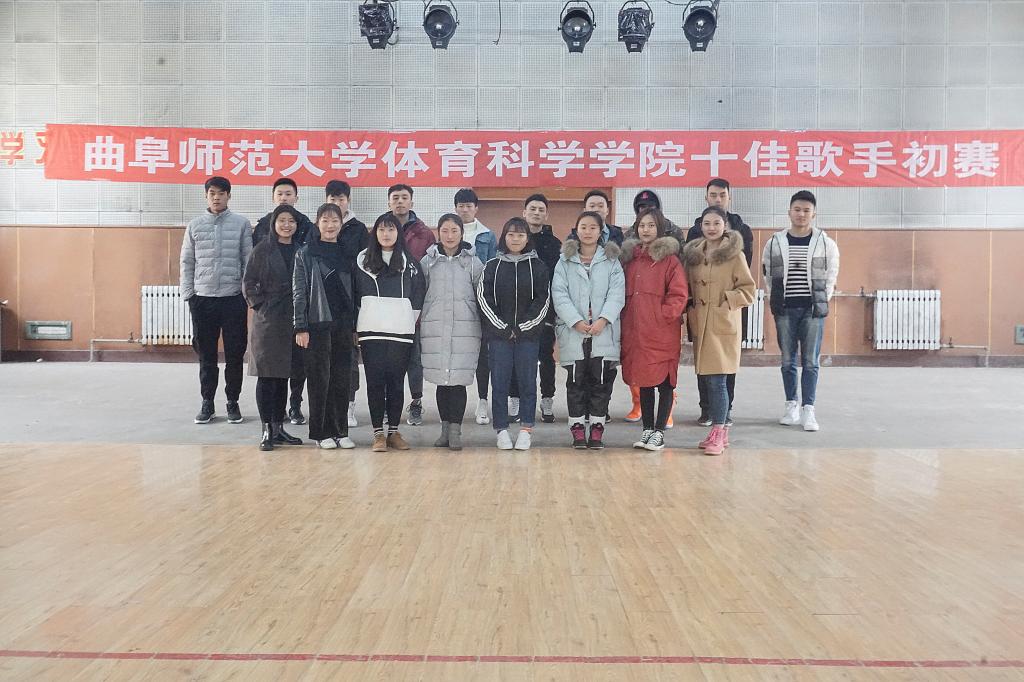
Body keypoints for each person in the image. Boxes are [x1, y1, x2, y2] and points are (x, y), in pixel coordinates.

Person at [762, 190, 840, 433]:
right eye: (797, 209)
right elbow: (768, 274)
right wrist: (777, 298)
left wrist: (821, 299)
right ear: (789, 212)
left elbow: (831, 275)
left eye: (807, 210)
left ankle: (808, 408)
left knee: (810, 361)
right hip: (785, 309)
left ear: (813, 214)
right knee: (787, 360)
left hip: (812, 310)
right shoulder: (775, 242)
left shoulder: (825, 243)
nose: (801, 214)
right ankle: (791, 405)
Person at [683, 207, 756, 455]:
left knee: (718, 381)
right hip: (701, 325)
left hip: (723, 324)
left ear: (725, 225)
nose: (711, 228)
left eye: (716, 223)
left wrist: (726, 301)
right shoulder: (694, 255)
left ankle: (718, 430)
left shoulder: (735, 256)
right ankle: (720, 434)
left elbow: (748, 290)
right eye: (707, 223)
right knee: (708, 380)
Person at [180, 176, 253, 425]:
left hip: (233, 299)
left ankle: (233, 402)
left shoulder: (241, 224)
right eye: (212, 193)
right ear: (206, 196)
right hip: (202, 299)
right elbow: (187, 261)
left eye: (221, 193)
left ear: (229, 196)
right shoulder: (195, 225)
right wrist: (189, 294)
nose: (216, 197)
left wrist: (245, 295)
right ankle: (207, 402)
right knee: (206, 356)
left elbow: (248, 260)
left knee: (235, 354)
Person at [552, 212, 625, 449]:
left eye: (593, 227)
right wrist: (575, 321)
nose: (588, 231)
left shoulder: (611, 261)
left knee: (601, 383)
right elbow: (559, 294)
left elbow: (617, 294)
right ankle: (577, 430)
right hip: (574, 332)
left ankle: (596, 429)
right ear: (576, 230)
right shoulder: (565, 261)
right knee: (576, 384)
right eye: (583, 227)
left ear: (600, 231)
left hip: (602, 332)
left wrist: (603, 320)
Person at [477, 218, 550, 451]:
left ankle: (526, 429)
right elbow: (484, 299)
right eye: (511, 234)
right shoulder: (492, 266)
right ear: (504, 237)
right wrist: (503, 328)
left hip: (528, 338)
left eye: (520, 235)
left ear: (527, 238)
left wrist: (523, 328)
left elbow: (543, 301)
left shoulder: (538, 267)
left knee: (528, 383)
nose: (515, 239)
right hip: (499, 337)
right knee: (499, 383)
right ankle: (501, 430)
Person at [355, 213, 426, 452]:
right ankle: (378, 434)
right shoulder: (361, 260)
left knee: (396, 382)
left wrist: (407, 319)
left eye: (391, 229)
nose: (386, 234)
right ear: (374, 233)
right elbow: (355, 294)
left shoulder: (410, 263)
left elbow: (418, 293)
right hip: (371, 331)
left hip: (401, 331)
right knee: (375, 382)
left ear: (399, 233)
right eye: (382, 229)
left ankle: (394, 432)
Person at [620, 208, 689, 451]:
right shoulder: (631, 260)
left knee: (665, 381)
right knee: (644, 380)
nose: (645, 230)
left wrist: (662, 316)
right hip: (636, 331)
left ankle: (659, 431)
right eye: (642, 225)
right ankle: (647, 428)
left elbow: (679, 295)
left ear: (659, 229)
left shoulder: (670, 261)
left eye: (651, 225)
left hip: (662, 332)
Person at [293, 203, 357, 450]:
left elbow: (355, 291)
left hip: (343, 324)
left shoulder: (348, 253)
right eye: (325, 220)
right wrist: (300, 327)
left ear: (341, 224)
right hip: (316, 324)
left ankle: (341, 431)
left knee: (342, 378)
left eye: (335, 221)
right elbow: (299, 291)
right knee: (320, 380)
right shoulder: (306, 253)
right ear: (317, 223)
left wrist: (355, 326)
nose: (330, 225)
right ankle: (321, 433)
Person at [243, 204, 306, 451]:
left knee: (283, 377)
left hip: (293, 320)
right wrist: (261, 305)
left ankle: (279, 428)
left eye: (291, 221)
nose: (287, 225)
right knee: (267, 376)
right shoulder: (262, 249)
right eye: (282, 220)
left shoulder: (301, 250)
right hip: (268, 322)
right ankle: (266, 429)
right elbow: (248, 282)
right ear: (274, 223)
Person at [420, 213, 485, 451]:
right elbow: (420, 293)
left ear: (462, 233)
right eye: (445, 231)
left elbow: (482, 297)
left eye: (454, 231)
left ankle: (456, 430)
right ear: (438, 233)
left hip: (465, 329)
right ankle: (444, 430)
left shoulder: (473, 263)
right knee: (441, 381)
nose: (449, 236)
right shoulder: (427, 262)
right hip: (435, 327)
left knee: (458, 382)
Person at [384, 184, 435, 427]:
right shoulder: (381, 229)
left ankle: (416, 403)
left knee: (415, 360)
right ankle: (388, 403)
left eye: (404, 197)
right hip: (387, 308)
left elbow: (429, 272)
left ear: (411, 202)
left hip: (414, 306)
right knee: (389, 360)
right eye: (395, 198)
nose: (400, 201)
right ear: (389, 203)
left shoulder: (425, 233)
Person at [324, 179, 369, 429]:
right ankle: (326, 406)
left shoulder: (358, 230)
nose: (337, 203)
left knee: (349, 357)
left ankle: (349, 405)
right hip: (323, 303)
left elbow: (365, 266)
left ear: (348, 201)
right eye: (332, 199)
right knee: (323, 357)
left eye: (341, 199)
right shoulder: (318, 227)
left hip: (350, 302)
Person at [513, 193, 561, 424]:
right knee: (517, 356)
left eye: (541, 210)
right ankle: (515, 399)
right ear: (524, 212)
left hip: (545, 309)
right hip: (517, 310)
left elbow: (558, 279)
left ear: (546, 215)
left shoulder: (555, 244)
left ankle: (547, 399)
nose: (536, 213)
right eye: (532, 209)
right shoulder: (515, 240)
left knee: (545, 356)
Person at [454, 188, 499, 426]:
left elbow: (492, 268)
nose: (464, 210)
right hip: (455, 301)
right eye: (461, 205)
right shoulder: (449, 232)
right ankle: (455, 405)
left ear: (476, 209)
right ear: (455, 208)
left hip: (480, 301)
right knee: (458, 354)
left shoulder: (487, 236)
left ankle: (482, 401)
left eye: (468, 206)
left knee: (483, 355)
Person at [252, 177, 318, 247]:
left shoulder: (305, 223)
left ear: (296, 198)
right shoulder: (264, 223)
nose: (283, 198)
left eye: (288, 194)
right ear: (273, 198)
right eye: (279, 194)